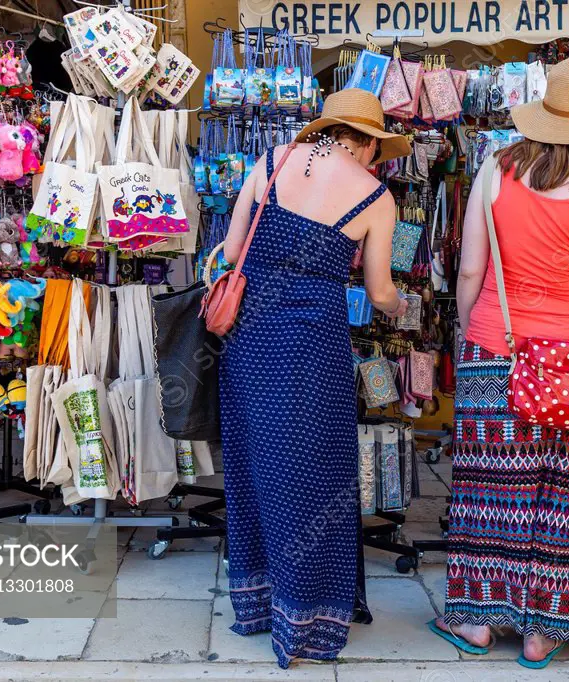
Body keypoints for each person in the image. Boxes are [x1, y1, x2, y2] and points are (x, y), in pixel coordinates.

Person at [431, 56, 569, 668]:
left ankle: (476, 621)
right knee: (563, 495)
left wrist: (474, 331)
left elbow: (470, 268)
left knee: (489, 490)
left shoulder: (495, 170)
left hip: (496, 351)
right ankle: (544, 630)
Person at [218, 88, 412, 668]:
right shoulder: (376, 197)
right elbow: (379, 292)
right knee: (314, 473)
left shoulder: (271, 160)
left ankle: (258, 605)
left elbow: (232, 251)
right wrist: (403, 308)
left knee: (257, 464)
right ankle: (307, 617)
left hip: (248, 336)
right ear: (371, 144)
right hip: (311, 345)